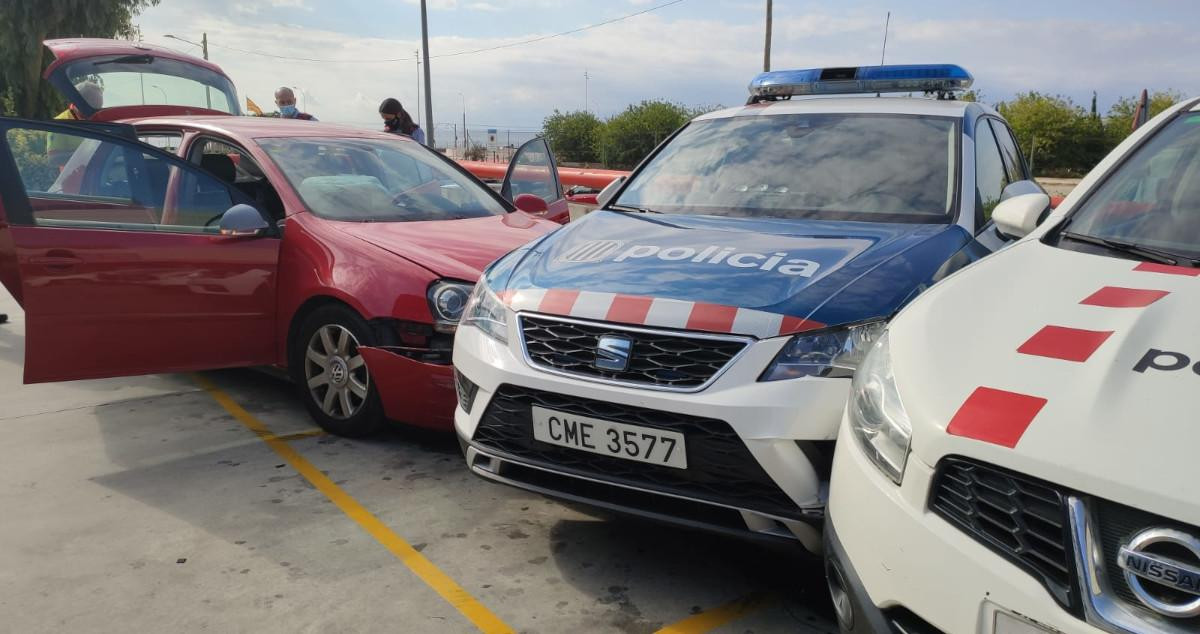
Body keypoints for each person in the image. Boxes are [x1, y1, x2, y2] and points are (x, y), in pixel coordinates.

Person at [47, 81, 103, 171]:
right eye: (94, 106)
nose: (96, 111)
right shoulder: (59, 123)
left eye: (99, 106)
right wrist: (87, 155)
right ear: (78, 101)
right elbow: (54, 159)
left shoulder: (100, 120)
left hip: (100, 177)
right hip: (73, 181)